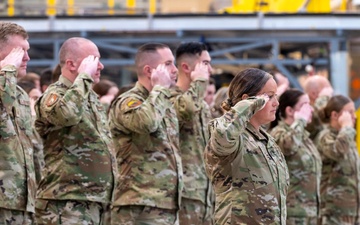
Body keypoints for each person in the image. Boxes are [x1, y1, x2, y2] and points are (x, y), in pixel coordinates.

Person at [34, 37, 117, 224]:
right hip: (66, 202)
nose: (101, 66)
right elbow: (66, 114)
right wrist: (85, 77)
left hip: (93, 200)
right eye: (93, 60)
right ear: (71, 64)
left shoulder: (89, 97)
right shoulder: (55, 94)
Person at [108, 43, 183, 225]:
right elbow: (146, 122)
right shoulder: (128, 101)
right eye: (168, 64)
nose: (174, 70)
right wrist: (160, 89)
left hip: (165, 204)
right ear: (150, 70)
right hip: (138, 205)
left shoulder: (162, 101)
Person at [204, 68, 289, 225]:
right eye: (269, 96)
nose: (276, 102)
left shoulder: (267, 140)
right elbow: (223, 136)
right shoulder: (229, 133)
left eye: (275, 96)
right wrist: (249, 104)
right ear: (247, 100)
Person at [171, 41, 213, 224]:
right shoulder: (168, 96)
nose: (210, 70)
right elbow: (185, 110)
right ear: (186, 67)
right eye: (205, 63)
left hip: (204, 190)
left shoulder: (202, 105)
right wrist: (200, 82)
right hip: (184, 192)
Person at [0, 21, 37, 225]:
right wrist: (7, 72)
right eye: (20, 51)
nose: (27, 58)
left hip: (22, 202)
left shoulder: (20, 94)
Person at [269, 89, 322, 225]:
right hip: (292, 212)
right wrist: (300, 122)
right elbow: (288, 146)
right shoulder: (279, 133)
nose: (309, 109)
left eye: (309, 105)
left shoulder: (304, 136)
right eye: (304, 105)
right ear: (290, 111)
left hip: (309, 212)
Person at [315, 95, 360, 225]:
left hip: (352, 209)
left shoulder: (347, 137)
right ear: (335, 115)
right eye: (350, 112)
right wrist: (346, 127)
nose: (354, 117)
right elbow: (337, 151)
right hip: (334, 210)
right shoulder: (326, 136)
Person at [303, 75, 333, 140]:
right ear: (313, 94)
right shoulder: (304, 112)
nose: (330, 97)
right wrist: (323, 98)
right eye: (327, 93)